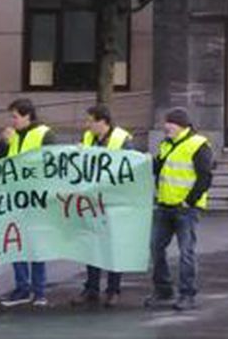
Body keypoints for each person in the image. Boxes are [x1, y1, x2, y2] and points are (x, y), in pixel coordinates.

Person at [145, 107, 213, 312]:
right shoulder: (166, 144)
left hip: (185, 210)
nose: (166, 127)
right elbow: (157, 168)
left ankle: (187, 294)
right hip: (165, 205)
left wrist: (190, 201)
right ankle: (164, 290)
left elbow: (205, 177)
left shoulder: (198, 145)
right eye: (166, 123)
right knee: (155, 248)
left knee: (186, 253)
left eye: (170, 123)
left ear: (182, 125)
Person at [73, 105, 134, 308]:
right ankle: (91, 288)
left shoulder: (123, 139)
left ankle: (113, 290)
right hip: (92, 201)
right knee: (92, 245)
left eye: (91, 121)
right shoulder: (88, 138)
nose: (87, 125)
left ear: (103, 122)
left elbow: (129, 169)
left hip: (113, 202)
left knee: (113, 247)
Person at [0, 98, 56, 307]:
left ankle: (39, 291)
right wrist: (4, 143)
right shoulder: (13, 136)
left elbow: (52, 166)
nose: (11, 121)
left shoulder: (44, 134)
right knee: (16, 244)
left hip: (37, 199)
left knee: (37, 245)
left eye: (15, 116)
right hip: (15, 199)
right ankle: (23, 288)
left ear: (27, 116)